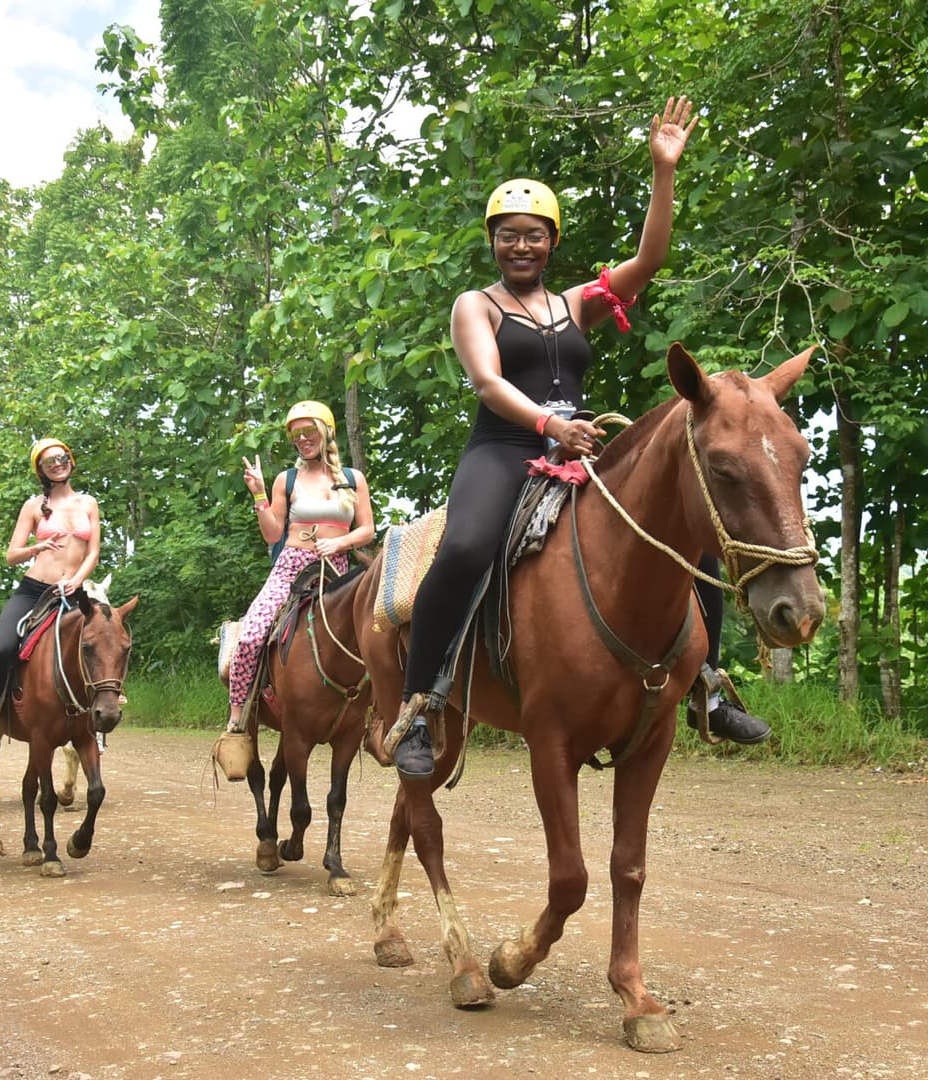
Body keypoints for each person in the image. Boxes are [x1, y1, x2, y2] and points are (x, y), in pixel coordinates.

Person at [392, 95, 769, 780]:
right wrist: (548, 424)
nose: (522, 245)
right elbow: (486, 383)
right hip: (506, 449)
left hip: (581, 452)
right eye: (508, 234)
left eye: (535, 234)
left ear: (553, 241)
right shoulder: (474, 306)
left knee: (687, 533)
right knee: (468, 545)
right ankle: (421, 707)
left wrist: (664, 170)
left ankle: (708, 687)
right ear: (492, 241)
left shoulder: (574, 306)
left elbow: (650, 258)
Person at [224, 401, 375, 734]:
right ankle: (239, 710)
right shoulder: (286, 479)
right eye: (296, 434)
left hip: (336, 569)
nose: (303, 439)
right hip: (291, 568)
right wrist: (260, 495)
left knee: (377, 632)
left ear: (326, 432)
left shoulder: (353, 478)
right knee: (250, 637)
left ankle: (378, 714)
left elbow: (367, 529)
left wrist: (340, 543)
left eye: (309, 431)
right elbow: (273, 533)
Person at [0, 438, 101, 751]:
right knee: (1, 648)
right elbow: (11, 555)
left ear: (70, 459)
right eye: (49, 461)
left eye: (61, 457)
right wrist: (36, 547)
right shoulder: (33, 506)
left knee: (105, 640)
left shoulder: (88, 503)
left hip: (73, 590)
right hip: (34, 590)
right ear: (41, 470)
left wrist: (78, 579)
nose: (57, 463)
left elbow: (93, 551)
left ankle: (97, 722)